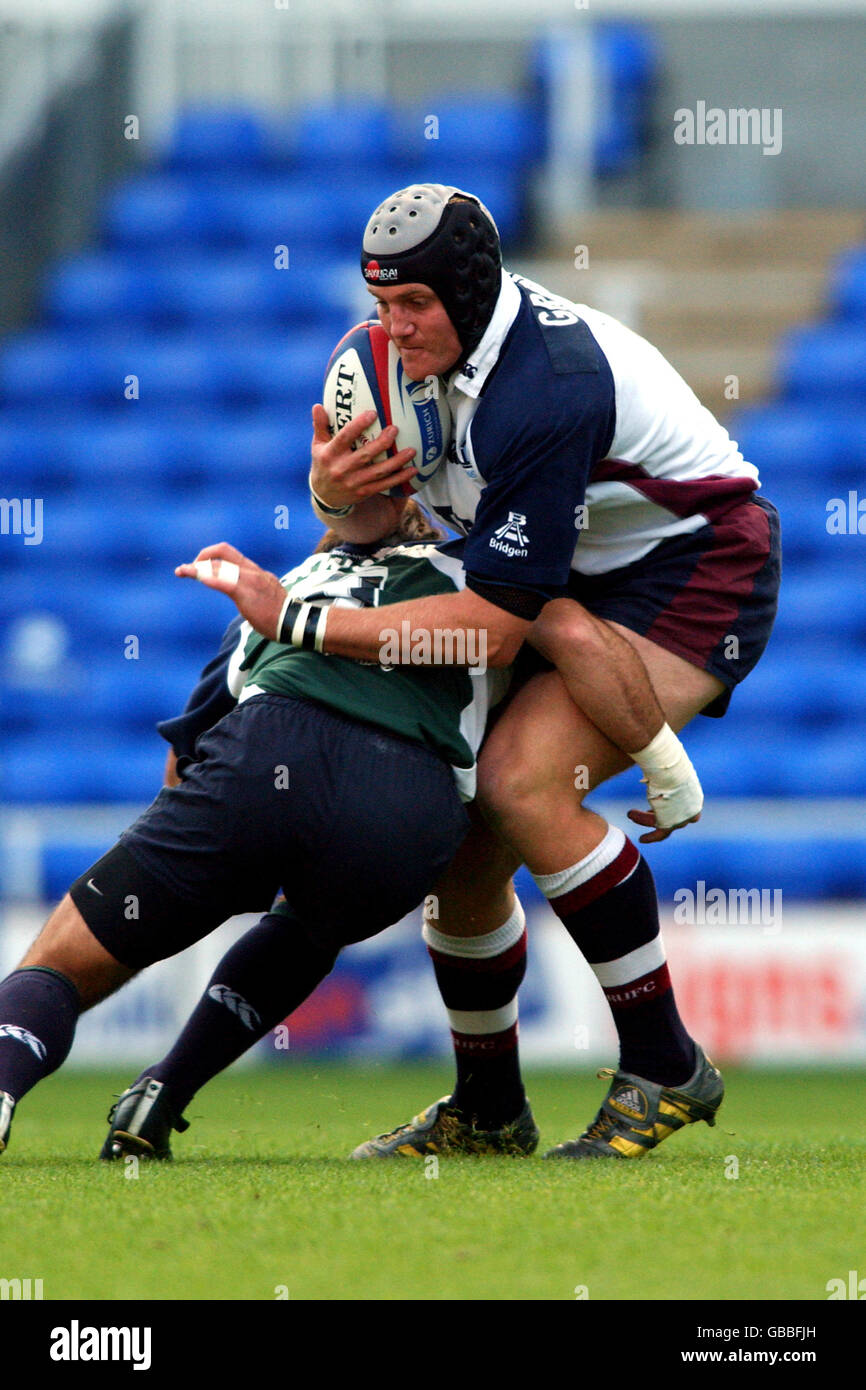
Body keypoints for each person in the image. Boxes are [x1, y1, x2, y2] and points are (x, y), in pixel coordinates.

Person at [251, 181, 779, 1161]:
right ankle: (487, 1107)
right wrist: (329, 490)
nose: (391, 328)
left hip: (693, 565)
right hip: (572, 577)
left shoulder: (545, 384)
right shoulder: (368, 361)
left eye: (413, 305)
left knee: (521, 782)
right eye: (380, 305)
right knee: (458, 833)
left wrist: (299, 621)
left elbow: (494, 628)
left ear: (472, 289)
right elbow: (364, 520)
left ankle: (663, 1063)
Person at [0, 505, 524, 1157]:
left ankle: (3, 1081)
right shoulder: (490, 592)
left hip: (265, 753)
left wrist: (179, 877)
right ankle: (165, 1088)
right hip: (409, 802)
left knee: (61, 963)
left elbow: (182, 762)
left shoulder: (284, 588)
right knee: (313, 923)